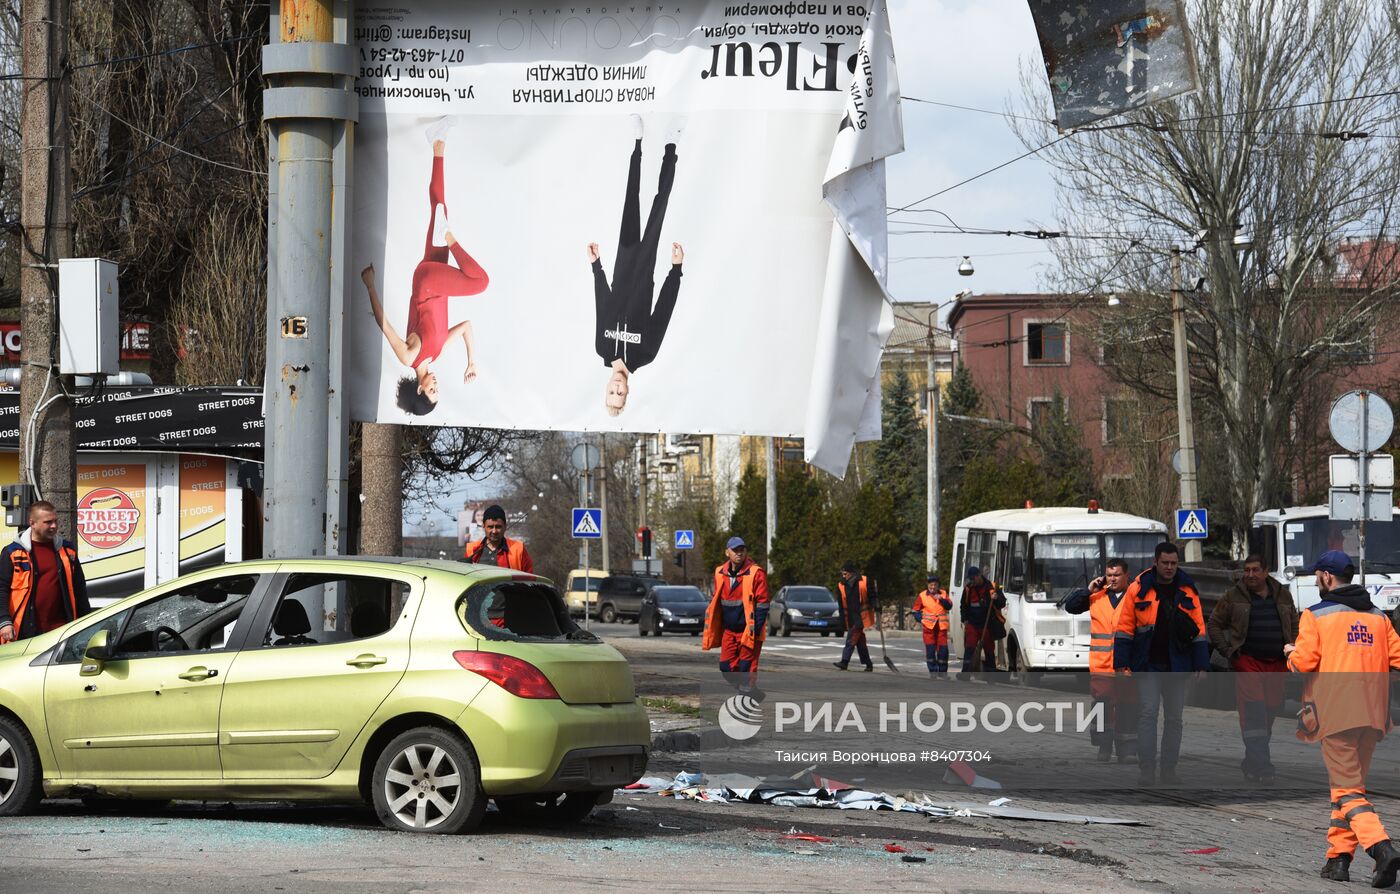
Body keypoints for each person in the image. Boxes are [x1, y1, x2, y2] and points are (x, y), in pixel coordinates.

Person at [1287, 550, 1400, 886]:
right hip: (1373, 715)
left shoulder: (1316, 615)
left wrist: (1291, 655)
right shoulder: (1379, 617)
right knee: (1349, 789)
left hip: (1335, 714)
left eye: (1316, 576)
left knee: (1347, 790)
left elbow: (1303, 664)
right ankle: (1338, 860)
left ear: (1325, 577)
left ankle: (1381, 847)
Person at [363, 124, 488, 416]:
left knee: (480, 282)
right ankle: (438, 143)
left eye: (431, 390)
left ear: (419, 389)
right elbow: (468, 327)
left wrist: (369, 286)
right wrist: (471, 361)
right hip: (433, 280)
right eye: (438, 392)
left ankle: (447, 235)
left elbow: (386, 326)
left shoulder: (409, 356)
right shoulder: (439, 351)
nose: (437, 386)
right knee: (439, 207)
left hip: (428, 285)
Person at [589, 119, 684, 417]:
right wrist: (675, 271)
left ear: (606, 388)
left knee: (631, 201)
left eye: (611, 392)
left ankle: (638, 143)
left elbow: (602, 305)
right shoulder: (646, 354)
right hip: (645, 270)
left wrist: (597, 267)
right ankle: (671, 146)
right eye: (620, 394)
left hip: (623, 264)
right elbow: (664, 310)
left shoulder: (602, 349)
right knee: (660, 205)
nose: (616, 388)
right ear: (628, 393)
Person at [1113, 541, 1209, 787]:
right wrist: (1121, 664)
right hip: (1148, 665)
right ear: (1155, 562)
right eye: (1165, 563)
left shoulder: (1188, 589)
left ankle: (1168, 769)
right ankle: (1147, 770)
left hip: (1178, 665)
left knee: (1175, 719)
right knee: (1147, 714)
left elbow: (1199, 629)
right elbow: (1124, 629)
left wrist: (1201, 664)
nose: (1169, 567)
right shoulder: (1139, 588)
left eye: (1174, 563)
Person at [1206, 553, 1298, 784]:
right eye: (1247, 570)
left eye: (1255, 570)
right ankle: (1264, 767)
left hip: (1277, 663)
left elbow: (1295, 625)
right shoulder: (1233, 596)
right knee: (1254, 713)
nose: (1250, 575)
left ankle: (1252, 763)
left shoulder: (1283, 596)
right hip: (1248, 662)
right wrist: (1228, 651)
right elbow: (1214, 624)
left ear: (1266, 572)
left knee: (1270, 712)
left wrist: (1295, 649)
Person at [1062, 559, 1137, 763]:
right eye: (1109, 575)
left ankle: (1127, 750)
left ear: (1126, 575)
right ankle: (1104, 747)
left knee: (1128, 706)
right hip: (1101, 665)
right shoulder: (1096, 596)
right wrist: (1088, 590)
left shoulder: (1135, 597)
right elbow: (1071, 606)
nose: (1112, 579)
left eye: (1117, 575)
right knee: (1103, 706)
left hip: (1126, 666)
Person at [0, 501, 90, 643]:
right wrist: (4, 621)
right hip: (24, 631)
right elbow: (1, 589)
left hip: (62, 631)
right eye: (48, 522)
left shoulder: (67, 550)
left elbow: (80, 589)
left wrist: (87, 622)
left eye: (55, 521)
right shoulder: (12, 552)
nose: (54, 526)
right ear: (32, 523)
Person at [701, 537, 770, 693]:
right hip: (729, 631)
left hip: (748, 631)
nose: (739, 553)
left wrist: (755, 629)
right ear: (727, 552)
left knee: (746, 669)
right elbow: (717, 600)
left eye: (742, 550)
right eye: (735, 550)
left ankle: (745, 704)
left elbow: (763, 604)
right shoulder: (720, 573)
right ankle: (752, 693)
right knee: (725, 667)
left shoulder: (756, 573)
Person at [958, 567, 1006, 680]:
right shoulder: (968, 589)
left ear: (979, 576)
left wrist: (996, 597)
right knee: (969, 648)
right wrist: (964, 620)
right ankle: (965, 674)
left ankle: (991, 676)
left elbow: (1002, 603)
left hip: (987, 625)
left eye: (973, 578)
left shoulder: (992, 587)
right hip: (972, 624)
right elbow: (963, 606)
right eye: (970, 579)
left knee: (989, 650)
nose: (972, 581)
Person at [463, 505, 533, 572]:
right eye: (490, 527)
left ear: (505, 526)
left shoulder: (518, 549)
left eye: (498, 527)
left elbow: (529, 579)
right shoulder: (471, 550)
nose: (494, 531)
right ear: (483, 526)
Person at [833, 561, 876, 671]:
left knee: (851, 639)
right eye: (842, 574)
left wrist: (876, 605)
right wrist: (842, 622)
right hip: (850, 618)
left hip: (861, 617)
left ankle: (844, 662)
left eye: (845, 573)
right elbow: (841, 606)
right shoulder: (841, 585)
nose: (843, 576)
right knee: (860, 643)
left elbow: (872, 596)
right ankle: (868, 664)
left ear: (852, 573)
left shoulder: (864, 581)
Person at [910, 573, 952, 678]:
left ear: (938, 585)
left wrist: (941, 599)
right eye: (931, 585)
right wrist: (921, 619)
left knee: (943, 652)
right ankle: (933, 671)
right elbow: (915, 610)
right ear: (928, 585)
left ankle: (942, 673)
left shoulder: (943, 594)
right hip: (929, 628)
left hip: (941, 628)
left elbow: (949, 606)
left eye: (935, 585)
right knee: (930, 651)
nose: (933, 587)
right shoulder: (922, 595)